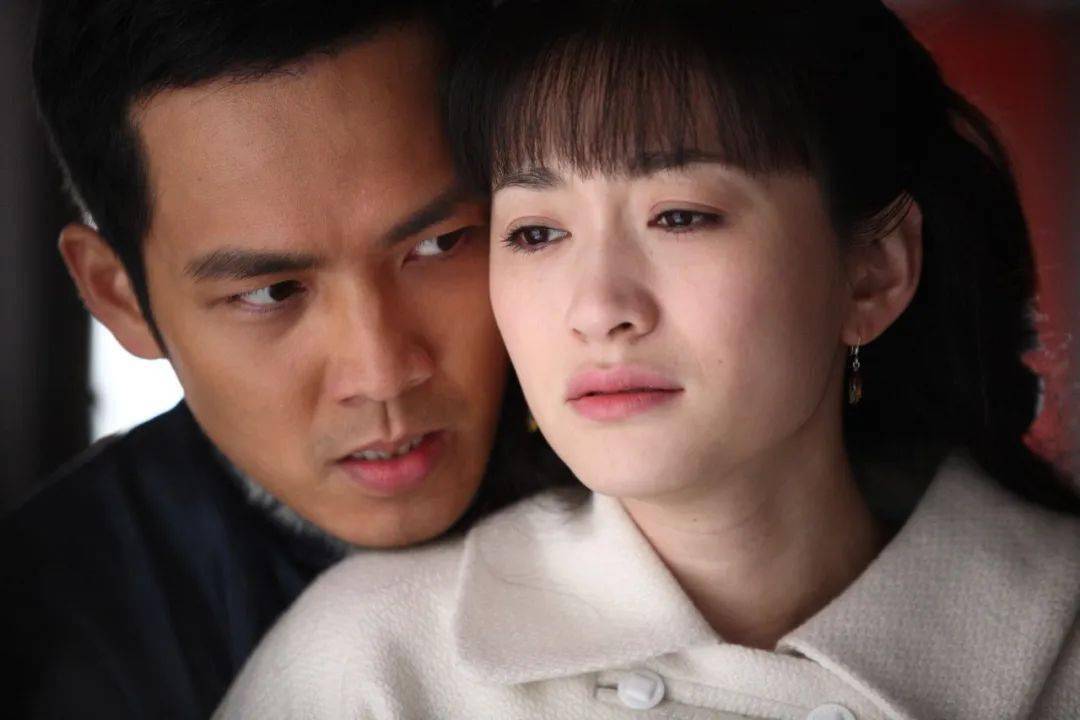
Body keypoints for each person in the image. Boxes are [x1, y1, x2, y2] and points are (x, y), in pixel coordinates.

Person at [216, 0, 1080, 718]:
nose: (598, 309)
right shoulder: (375, 665)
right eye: (537, 233)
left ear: (872, 273)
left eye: (680, 217)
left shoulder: (1055, 633)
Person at [1, 1, 570, 717]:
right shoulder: (39, 644)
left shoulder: (663, 457)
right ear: (119, 298)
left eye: (438, 244)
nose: (382, 373)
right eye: (271, 293)